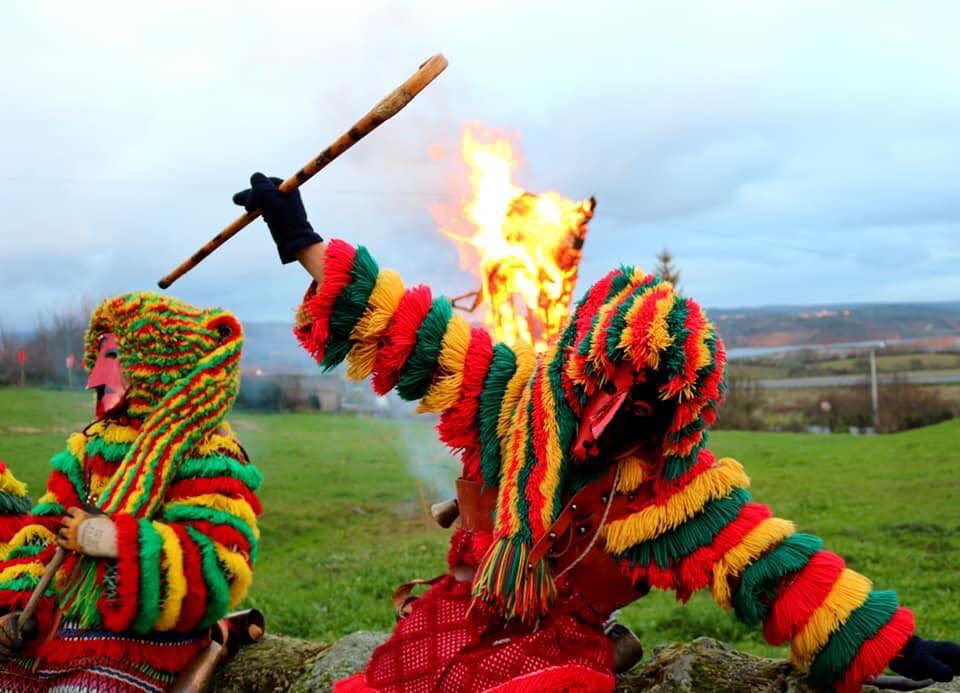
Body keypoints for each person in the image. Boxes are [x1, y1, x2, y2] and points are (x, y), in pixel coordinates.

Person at [237, 173, 960, 692]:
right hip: (453, 615)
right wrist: (302, 237)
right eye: (608, 385)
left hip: (558, 648)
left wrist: (897, 644)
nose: (616, 415)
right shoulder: (508, 393)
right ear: (585, 361)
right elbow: (408, 327)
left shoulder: (675, 495)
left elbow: (778, 568)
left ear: (675, 409)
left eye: (645, 402)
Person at [0, 292, 262, 691]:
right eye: (100, 357)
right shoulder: (91, 447)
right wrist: (14, 607)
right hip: (56, 637)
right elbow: (42, 532)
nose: (93, 379)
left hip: (140, 650)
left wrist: (109, 538)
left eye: (112, 358)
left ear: (159, 363)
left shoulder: (211, 456)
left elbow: (220, 566)